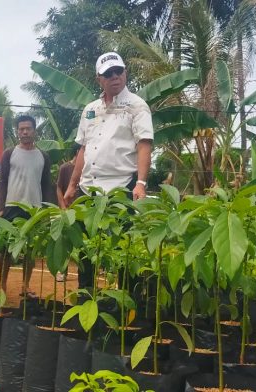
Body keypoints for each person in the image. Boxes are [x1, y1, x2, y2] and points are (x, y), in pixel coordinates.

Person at [63, 52, 154, 290]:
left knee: (123, 249)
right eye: (108, 74)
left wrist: (141, 183)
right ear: (99, 79)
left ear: (125, 73)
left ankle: (126, 307)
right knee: (85, 250)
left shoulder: (136, 106)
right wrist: (72, 185)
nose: (115, 77)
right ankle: (86, 298)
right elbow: (84, 148)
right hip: (88, 188)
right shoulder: (90, 109)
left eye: (119, 72)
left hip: (119, 189)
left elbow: (144, 144)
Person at [0, 114, 55, 298]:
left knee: (30, 250)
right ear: (17, 132)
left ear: (35, 131)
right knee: (6, 250)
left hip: (34, 209)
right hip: (11, 207)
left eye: (28, 128)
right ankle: (2, 286)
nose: (25, 132)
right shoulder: (9, 153)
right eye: (21, 129)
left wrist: (48, 211)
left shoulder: (43, 157)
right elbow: (3, 181)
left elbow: (46, 185)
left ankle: (25, 285)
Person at [54, 144, 80, 282]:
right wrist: (63, 206)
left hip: (81, 212)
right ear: (78, 151)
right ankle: (62, 271)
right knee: (64, 241)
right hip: (66, 210)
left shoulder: (86, 169)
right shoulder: (65, 168)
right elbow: (58, 188)